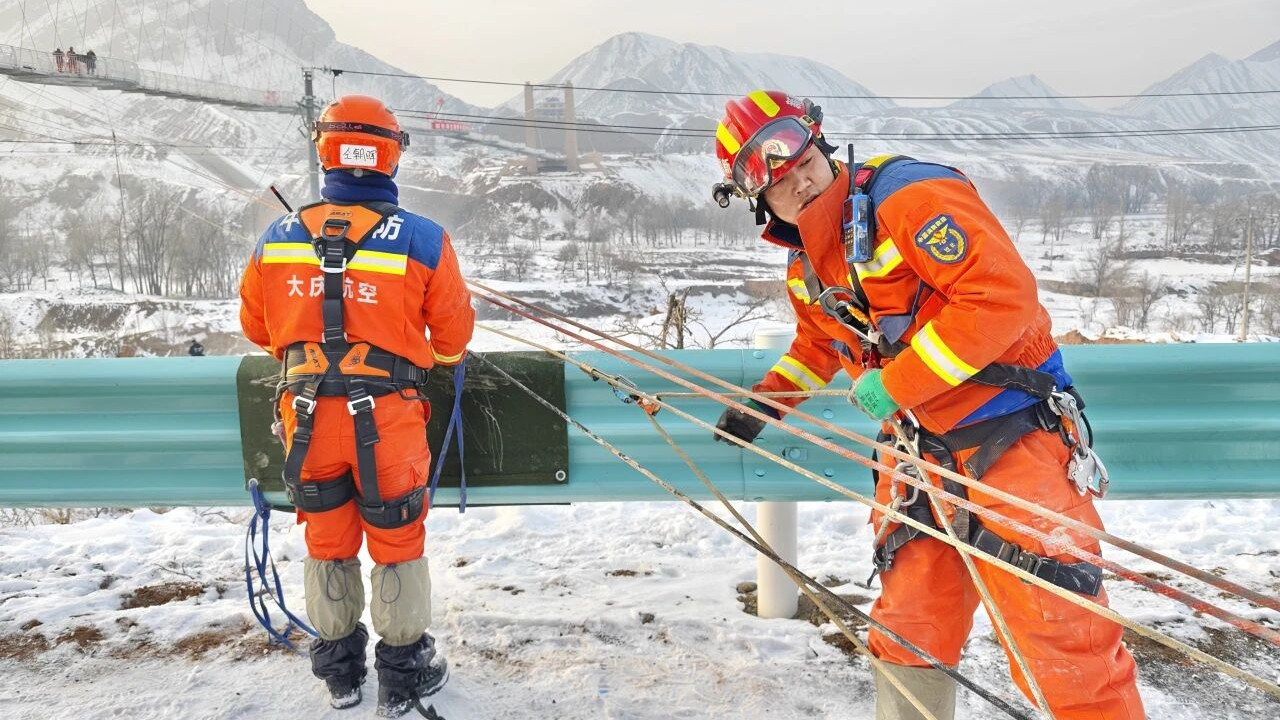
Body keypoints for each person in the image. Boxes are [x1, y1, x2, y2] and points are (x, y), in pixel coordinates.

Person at [709, 90, 1144, 720]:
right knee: (910, 627)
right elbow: (818, 344)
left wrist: (898, 383)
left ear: (819, 142)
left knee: (1060, 636)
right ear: (755, 199)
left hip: (1011, 436)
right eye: (773, 177)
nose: (798, 180)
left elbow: (1000, 298)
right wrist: (765, 405)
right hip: (918, 458)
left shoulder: (909, 198)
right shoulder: (807, 265)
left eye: (802, 159)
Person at [239, 95, 474, 716]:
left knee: (327, 540)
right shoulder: (423, 239)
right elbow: (453, 340)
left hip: (307, 419)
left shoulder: (280, 235)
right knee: (397, 542)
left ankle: (341, 675)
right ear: (392, 154)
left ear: (326, 150)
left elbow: (260, 331)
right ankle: (403, 674)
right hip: (389, 421)